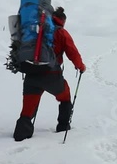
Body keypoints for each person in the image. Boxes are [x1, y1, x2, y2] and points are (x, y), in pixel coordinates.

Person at [13, 7, 86, 142]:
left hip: (31, 74)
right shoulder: (61, 33)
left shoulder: (35, 30)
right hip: (51, 75)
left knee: (28, 107)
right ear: (63, 20)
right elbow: (72, 52)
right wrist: (80, 67)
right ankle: (63, 126)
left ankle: (21, 134)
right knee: (65, 96)